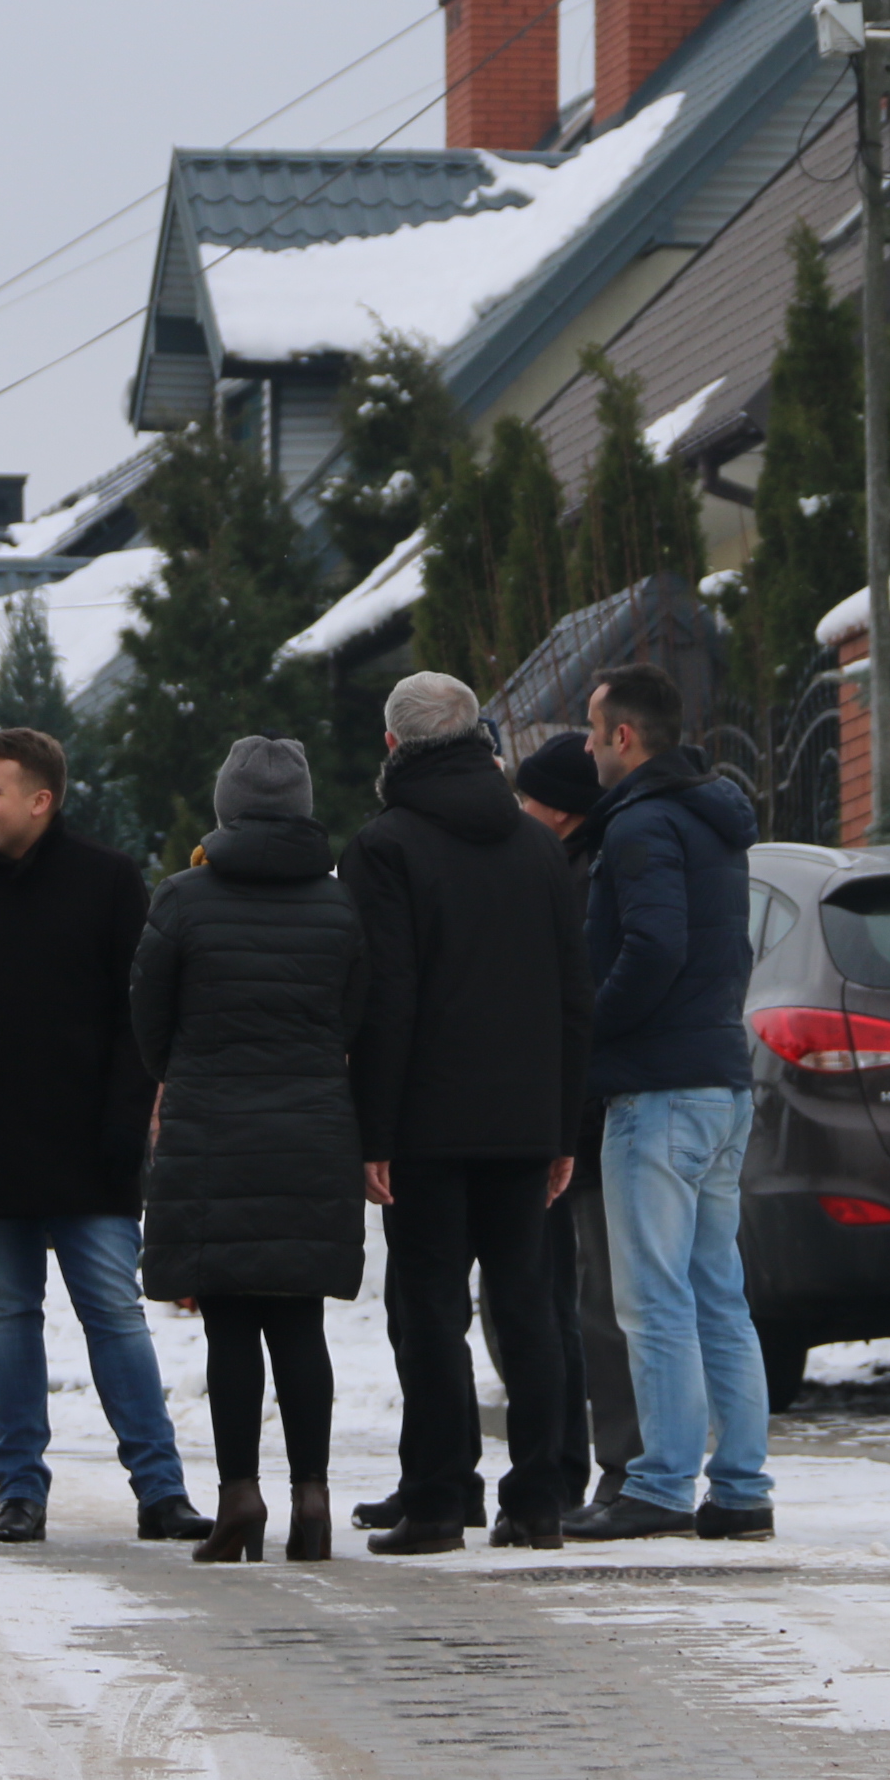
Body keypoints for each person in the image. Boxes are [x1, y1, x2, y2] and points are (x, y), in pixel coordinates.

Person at [0, 727, 211, 1548]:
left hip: (89, 1152)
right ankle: (19, 1492)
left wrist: (120, 1128)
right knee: (6, 1314)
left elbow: (139, 1021)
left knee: (113, 1311)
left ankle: (161, 1489)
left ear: (42, 799)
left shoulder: (107, 883)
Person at [340, 675, 590, 1555]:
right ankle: (538, 1498)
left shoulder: (385, 848)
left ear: (393, 747)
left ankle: (441, 1498)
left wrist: (372, 1133)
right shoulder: (537, 847)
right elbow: (571, 995)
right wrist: (562, 1127)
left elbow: (387, 1001)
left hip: (426, 1125)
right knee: (527, 1309)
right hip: (524, 1122)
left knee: (431, 1312)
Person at [132, 736, 366, 1564]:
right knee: (300, 1326)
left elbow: (148, 1024)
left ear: (226, 808)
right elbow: (355, 1019)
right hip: (313, 1132)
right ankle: (313, 1502)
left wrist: (189, 1071)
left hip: (212, 1135)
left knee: (229, 1326)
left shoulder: (182, 899)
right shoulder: (341, 908)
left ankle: (239, 1499)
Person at [566, 663, 773, 1544]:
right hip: (722, 1079)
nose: (583, 745)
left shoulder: (644, 825)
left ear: (624, 736)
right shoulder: (715, 822)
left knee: (652, 1299)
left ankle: (657, 1483)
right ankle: (739, 1487)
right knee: (717, 1294)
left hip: (656, 1092)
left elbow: (651, 948)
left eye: (591, 727)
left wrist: (589, 1033)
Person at [514, 729, 638, 1513]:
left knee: (596, 1302)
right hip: (571, 1113)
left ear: (559, 812)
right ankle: (581, 1469)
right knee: (570, 1298)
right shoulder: (568, 865)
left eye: (529, 798)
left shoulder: (581, 877)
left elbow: (578, 995)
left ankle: (623, 1467)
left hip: (583, 1115)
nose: (520, 810)